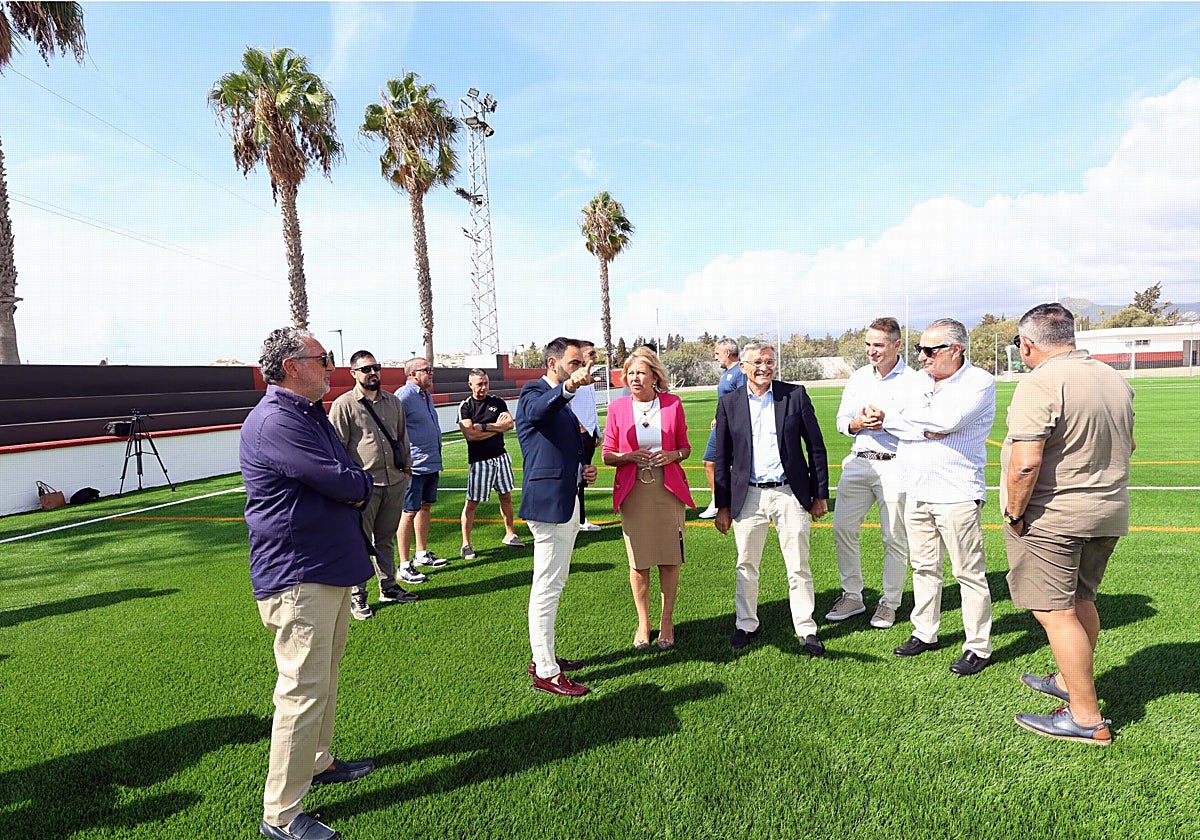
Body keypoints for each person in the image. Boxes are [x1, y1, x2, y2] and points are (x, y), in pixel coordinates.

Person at [241, 328, 376, 840]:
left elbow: (347, 475)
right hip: (300, 575)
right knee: (301, 691)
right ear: (293, 366)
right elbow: (345, 480)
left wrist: (354, 484)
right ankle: (280, 816)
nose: (331, 366)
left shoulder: (306, 413)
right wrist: (357, 485)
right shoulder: (278, 420)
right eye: (324, 358)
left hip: (325, 567)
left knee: (323, 678)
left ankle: (318, 762)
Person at [1005, 303, 1133, 745]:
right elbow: (1129, 443)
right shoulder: (1113, 378)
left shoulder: (1040, 382)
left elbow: (1025, 464)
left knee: (1055, 613)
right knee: (1081, 600)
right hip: (1108, 511)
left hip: (1055, 517)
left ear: (1027, 343)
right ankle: (1066, 680)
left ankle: (1085, 717)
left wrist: (1015, 513)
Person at [881, 318, 995, 677]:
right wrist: (916, 424)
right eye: (919, 350)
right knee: (924, 567)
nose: (922, 357)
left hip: (957, 492)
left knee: (968, 573)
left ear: (955, 350)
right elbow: (905, 420)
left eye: (930, 350)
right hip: (917, 489)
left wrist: (912, 422)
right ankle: (925, 632)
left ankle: (978, 646)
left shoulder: (979, 382)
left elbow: (945, 423)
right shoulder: (918, 383)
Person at [713, 341, 830, 656]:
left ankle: (806, 628)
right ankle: (746, 624)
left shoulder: (795, 395)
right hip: (748, 497)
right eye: (757, 362)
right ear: (743, 367)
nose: (764, 367)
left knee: (799, 566)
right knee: (746, 564)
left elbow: (816, 448)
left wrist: (820, 494)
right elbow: (722, 458)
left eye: (769, 361)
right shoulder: (729, 403)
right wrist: (722, 506)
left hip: (790, 495)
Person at [516, 337, 599, 696]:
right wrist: (568, 388)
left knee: (554, 584)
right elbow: (536, 413)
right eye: (573, 362)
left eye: (581, 362)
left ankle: (544, 656)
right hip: (549, 505)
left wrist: (583, 468)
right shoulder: (534, 391)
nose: (580, 367)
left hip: (565, 499)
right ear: (553, 364)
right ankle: (546, 671)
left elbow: (559, 445)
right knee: (547, 588)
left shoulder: (562, 401)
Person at [826, 317, 919, 629]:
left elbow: (920, 427)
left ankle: (889, 603)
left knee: (893, 536)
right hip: (858, 462)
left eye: (878, 345)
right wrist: (856, 425)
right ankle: (852, 595)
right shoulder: (859, 378)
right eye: (868, 344)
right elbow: (842, 420)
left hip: (895, 464)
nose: (871, 351)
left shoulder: (915, 381)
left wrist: (886, 420)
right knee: (842, 529)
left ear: (896, 345)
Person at [602, 347, 695, 650]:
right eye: (630, 373)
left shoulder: (673, 404)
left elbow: (685, 448)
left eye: (641, 372)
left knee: (669, 559)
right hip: (634, 493)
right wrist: (628, 456)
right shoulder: (616, 408)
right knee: (639, 562)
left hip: (667, 492)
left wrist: (672, 455)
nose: (635, 378)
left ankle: (666, 622)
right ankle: (644, 622)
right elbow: (607, 455)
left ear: (655, 375)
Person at [330, 350, 417, 620]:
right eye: (366, 369)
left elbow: (403, 437)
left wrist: (406, 470)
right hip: (363, 487)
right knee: (359, 543)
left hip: (393, 481)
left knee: (385, 538)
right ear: (353, 373)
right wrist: (348, 486)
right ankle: (358, 596)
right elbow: (337, 450)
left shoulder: (392, 402)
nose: (372, 373)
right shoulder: (344, 405)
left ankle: (388, 586)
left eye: (375, 368)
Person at [457, 368, 525, 558]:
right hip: (479, 462)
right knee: (471, 504)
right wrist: (498, 428)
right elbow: (470, 435)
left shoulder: (497, 401)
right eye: (479, 384)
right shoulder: (466, 406)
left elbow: (510, 424)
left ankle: (510, 534)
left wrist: (485, 427)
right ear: (470, 385)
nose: (483, 387)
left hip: (501, 458)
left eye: (486, 383)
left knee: (506, 497)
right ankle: (466, 544)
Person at [396, 357, 447, 584]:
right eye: (427, 370)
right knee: (408, 512)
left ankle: (421, 554)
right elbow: (394, 430)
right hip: (414, 466)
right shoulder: (404, 396)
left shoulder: (426, 396)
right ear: (412, 374)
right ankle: (404, 565)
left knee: (425, 507)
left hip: (431, 463)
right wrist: (403, 462)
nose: (431, 373)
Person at [698, 339, 746, 519]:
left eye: (717, 353)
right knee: (710, 462)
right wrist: (717, 417)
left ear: (727, 353)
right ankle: (717, 500)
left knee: (720, 463)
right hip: (722, 424)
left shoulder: (740, 372)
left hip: (731, 426)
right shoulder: (727, 373)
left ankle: (725, 501)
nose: (715, 357)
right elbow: (725, 399)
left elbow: (741, 400)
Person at [569, 340, 603, 532]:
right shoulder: (574, 379)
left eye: (594, 353)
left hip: (588, 435)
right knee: (576, 479)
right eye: (590, 353)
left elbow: (591, 406)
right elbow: (567, 405)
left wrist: (596, 430)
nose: (593, 356)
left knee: (583, 480)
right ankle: (575, 520)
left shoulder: (589, 379)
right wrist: (579, 426)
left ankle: (580, 520)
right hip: (577, 436)